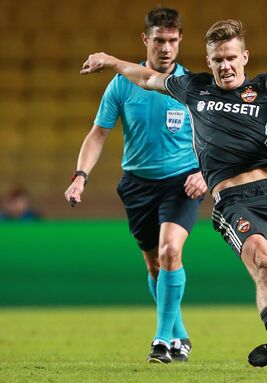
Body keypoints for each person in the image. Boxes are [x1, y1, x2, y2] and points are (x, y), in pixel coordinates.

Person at [80, 19, 267, 372]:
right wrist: (111, 61)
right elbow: (146, 78)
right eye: (218, 60)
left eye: (231, 58)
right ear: (208, 62)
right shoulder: (193, 88)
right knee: (265, 266)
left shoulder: (266, 88)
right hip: (234, 200)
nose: (225, 66)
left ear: (244, 57)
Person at [64, 7, 207, 364]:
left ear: (180, 41)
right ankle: (179, 334)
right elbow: (98, 134)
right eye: (159, 40)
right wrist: (80, 177)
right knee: (155, 266)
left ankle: (161, 340)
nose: (166, 47)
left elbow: (215, 138)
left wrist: (204, 173)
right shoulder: (122, 84)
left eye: (173, 40)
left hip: (182, 182)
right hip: (137, 185)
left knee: (170, 251)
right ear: (146, 40)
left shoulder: (191, 86)